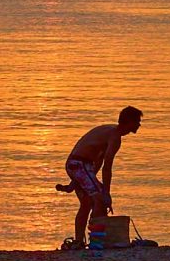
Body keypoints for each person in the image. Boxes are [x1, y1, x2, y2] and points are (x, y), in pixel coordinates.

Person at [61, 106, 142, 249]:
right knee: (100, 200)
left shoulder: (109, 130)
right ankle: (97, 242)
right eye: (137, 121)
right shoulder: (115, 137)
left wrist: (76, 181)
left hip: (78, 166)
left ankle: (79, 241)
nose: (139, 125)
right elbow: (107, 166)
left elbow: (97, 162)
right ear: (129, 122)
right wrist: (106, 193)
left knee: (86, 203)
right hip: (79, 164)